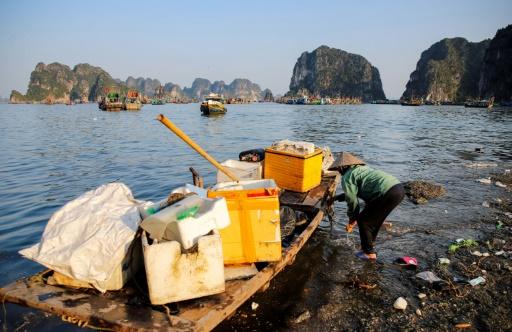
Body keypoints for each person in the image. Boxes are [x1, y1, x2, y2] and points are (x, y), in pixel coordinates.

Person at [332, 152, 405, 260]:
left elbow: (352, 200)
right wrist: (336, 198)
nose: (338, 172)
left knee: (364, 221)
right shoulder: (362, 169)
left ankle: (369, 253)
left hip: (386, 192)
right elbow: (352, 193)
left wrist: (352, 218)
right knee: (373, 221)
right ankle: (369, 246)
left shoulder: (347, 176)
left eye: (338, 169)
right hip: (398, 189)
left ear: (342, 167)